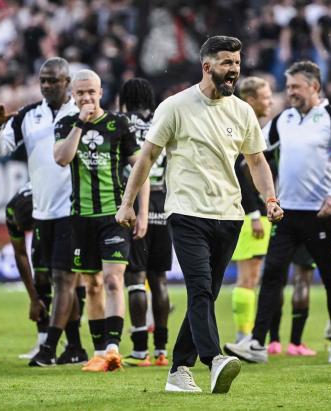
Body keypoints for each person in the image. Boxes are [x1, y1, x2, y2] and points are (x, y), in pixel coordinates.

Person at [116, 36, 283, 394]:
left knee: (205, 294)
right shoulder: (175, 107)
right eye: (226, 63)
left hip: (229, 215)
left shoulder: (242, 112)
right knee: (200, 289)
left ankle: (177, 371)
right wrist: (128, 203)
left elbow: (256, 161)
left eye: (237, 63)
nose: (234, 70)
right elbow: (146, 157)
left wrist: (269, 197)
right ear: (207, 67)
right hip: (187, 212)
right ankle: (214, 359)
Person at [224, 60, 331, 365]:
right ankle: (257, 343)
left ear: (314, 86)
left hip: (321, 214)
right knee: (272, 275)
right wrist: (266, 198)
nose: (291, 92)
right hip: (285, 214)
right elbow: (253, 153)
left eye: (296, 87)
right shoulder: (284, 119)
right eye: (289, 87)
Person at [0, 57, 86, 366]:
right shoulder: (30, 115)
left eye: (53, 81)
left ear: (67, 83)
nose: (46, 86)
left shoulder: (82, 114)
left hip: (71, 210)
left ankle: (48, 349)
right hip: (42, 210)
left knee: (62, 277)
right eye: (43, 80)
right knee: (46, 278)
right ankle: (74, 347)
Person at [54, 69, 149, 372]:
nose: (86, 98)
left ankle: (112, 348)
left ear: (100, 92)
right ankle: (98, 352)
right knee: (92, 284)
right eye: (80, 93)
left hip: (113, 215)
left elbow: (141, 169)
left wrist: (141, 211)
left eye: (91, 92)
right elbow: (62, 158)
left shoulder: (118, 125)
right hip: (81, 217)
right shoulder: (67, 124)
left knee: (112, 279)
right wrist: (80, 122)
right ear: (73, 95)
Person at [120, 78, 172, 368]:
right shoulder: (161, 122)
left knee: (135, 277)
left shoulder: (122, 123)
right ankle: (162, 350)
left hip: (136, 200)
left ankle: (140, 350)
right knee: (159, 278)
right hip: (164, 202)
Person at [229, 76, 273, 343]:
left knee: (252, 275)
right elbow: (240, 173)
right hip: (249, 214)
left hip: (251, 212)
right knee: (248, 276)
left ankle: (245, 333)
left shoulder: (250, 124)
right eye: (266, 97)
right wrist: (255, 214)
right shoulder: (243, 125)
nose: (270, 102)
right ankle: (243, 335)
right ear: (251, 100)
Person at [5, 183, 51, 359]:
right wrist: (33, 298)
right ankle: (43, 342)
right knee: (40, 274)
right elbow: (20, 254)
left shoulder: (47, 204)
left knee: (65, 276)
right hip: (40, 214)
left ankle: (73, 344)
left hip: (58, 216)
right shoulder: (11, 210)